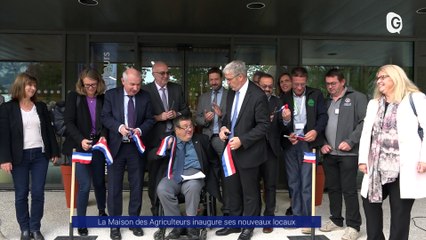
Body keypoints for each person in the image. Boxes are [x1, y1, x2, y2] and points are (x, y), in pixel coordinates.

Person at [358, 64, 426, 240]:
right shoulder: (374, 104)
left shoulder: (415, 99)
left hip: (403, 167)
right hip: (376, 166)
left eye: (384, 77)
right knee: (369, 202)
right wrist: (362, 159)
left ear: (396, 78)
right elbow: (367, 133)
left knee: (400, 212)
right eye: (378, 78)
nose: (379, 81)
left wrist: (424, 158)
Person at [0, 73, 59, 240]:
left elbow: (48, 130)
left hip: (39, 155)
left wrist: (54, 151)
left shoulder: (40, 106)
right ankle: (24, 229)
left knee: (38, 192)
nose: (32, 88)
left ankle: (35, 228)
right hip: (19, 157)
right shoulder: (8, 108)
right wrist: (4, 159)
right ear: (20, 86)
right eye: (29, 85)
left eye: (34, 85)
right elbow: (3, 136)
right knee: (21, 193)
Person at [215, 60, 269, 240]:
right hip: (230, 151)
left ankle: (248, 227)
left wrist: (243, 140)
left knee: (250, 191)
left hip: (249, 152)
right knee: (232, 190)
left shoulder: (257, 95)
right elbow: (228, 119)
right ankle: (234, 224)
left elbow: (263, 126)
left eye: (229, 79)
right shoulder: (232, 93)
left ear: (240, 76)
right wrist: (223, 128)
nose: (227, 83)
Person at [101, 67, 155, 240]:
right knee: (114, 187)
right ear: (123, 81)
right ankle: (115, 226)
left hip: (135, 147)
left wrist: (139, 130)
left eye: (138, 84)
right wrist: (119, 127)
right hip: (116, 147)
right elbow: (105, 117)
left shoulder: (145, 96)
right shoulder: (111, 95)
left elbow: (150, 119)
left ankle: (134, 221)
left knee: (137, 185)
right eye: (132, 84)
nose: (135, 88)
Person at [319, 68, 367, 240]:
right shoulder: (326, 102)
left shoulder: (357, 98)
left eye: (333, 83)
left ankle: (354, 226)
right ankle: (336, 220)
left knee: (349, 190)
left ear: (342, 82)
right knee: (333, 189)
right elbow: (320, 124)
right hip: (329, 154)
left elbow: (365, 122)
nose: (330, 87)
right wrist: (322, 144)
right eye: (328, 84)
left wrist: (351, 141)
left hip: (349, 154)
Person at [155, 116, 220, 239]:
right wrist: (165, 148)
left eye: (191, 126)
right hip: (173, 175)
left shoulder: (202, 139)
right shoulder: (169, 141)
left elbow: (214, 161)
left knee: (193, 187)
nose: (189, 130)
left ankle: (191, 226)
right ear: (176, 129)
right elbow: (152, 156)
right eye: (185, 127)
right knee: (162, 189)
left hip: (194, 174)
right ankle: (177, 226)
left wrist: (213, 178)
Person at [280, 67, 328, 234]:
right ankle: (297, 216)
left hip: (308, 145)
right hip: (291, 145)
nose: (299, 88)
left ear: (306, 81)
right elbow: (279, 124)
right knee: (293, 182)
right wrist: (287, 129)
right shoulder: (283, 97)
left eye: (302, 84)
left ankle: (308, 220)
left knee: (307, 182)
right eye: (296, 84)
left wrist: (315, 131)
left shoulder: (316, 94)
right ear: (291, 82)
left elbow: (323, 116)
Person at [62, 68, 108, 236]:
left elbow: (106, 121)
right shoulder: (74, 97)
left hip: (98, 146)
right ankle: (81, 221)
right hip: (80, 145)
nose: (90, 88)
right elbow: (69, 121)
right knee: (84, 185)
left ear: (99, 83)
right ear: (81, 84)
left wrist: (103, 137)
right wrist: (81, 139)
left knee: (99, 182)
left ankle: (102, 211)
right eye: (86, 85)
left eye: (93, 85)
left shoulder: (103, 98)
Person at [144, 61, 190, 214]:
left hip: (177, 139)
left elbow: (186, 110)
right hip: (155, 141)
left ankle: (174, 207)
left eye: (167, 73)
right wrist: (159, 117)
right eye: (161, 73)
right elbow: (142, 117)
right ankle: (155, 209)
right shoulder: (146, 90)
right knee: (155, 176)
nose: (165, 76)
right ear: (153, 74)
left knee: (177, 173)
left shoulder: (176, 88)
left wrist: (177, 114)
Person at [195, 67, 229, 215]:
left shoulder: (230, 95)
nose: (214, 82)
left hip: (222, 140)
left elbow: (235, 118)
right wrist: (205, 120)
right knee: (207, 173)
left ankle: (227, 207)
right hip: (206, 140)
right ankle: (209, 208)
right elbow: (196, 119)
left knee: (226, 174)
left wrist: (220, 116)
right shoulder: (204, 97)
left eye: (216, 79)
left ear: (221, 79)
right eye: (211, 80)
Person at [257, 73, 282, 234]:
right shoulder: (250, 100)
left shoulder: (277, 101)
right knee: (252, 186)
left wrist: (285, 120)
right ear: (257, 85)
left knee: (270, 185)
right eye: (264, 86)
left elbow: (283, 126)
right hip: (253, 149)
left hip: (271, 149)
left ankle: (269, 218)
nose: (267, 89)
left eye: (270, 86)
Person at [277, 72, 293, 216]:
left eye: (287, 80)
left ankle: (297, 205)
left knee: (302, 178)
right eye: (281, 82)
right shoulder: (278, 99)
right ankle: (293, 203)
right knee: (291, 177)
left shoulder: (300, 97)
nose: (284, 84)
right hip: (284, 142)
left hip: (302, 141)